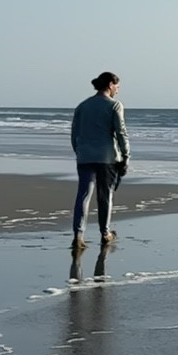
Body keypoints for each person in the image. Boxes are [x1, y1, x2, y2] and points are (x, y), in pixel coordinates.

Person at [70, 71, 129, 255]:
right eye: (117, 87)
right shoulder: (114, 106)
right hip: (107, 158)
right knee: (105, 196)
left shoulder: (82, 106)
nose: (117, 91)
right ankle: (105, 233)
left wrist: (79, 151)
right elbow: (121, 132)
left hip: (85, 156)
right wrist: (126, 155)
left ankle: (79, 235)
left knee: (83, 196)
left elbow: (74, 134)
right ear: (110, 85)